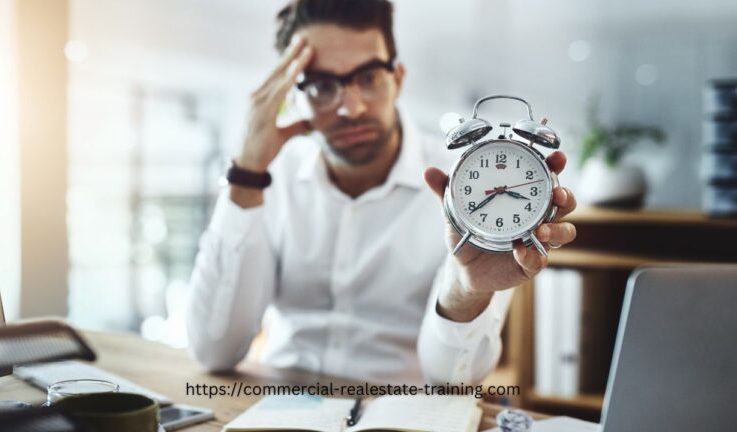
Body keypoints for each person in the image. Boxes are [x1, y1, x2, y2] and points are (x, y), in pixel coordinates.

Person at [186, 0, 577, 385]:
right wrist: (247, 173)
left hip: (400, 414)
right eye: (323, 85)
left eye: (368, 77)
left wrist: (465, 290)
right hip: (280, 407)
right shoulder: (269, 178)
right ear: (294, 96)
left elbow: (453, 383)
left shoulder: (464, 186)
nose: (350, 108)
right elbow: (214, 352)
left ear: (398, 78)